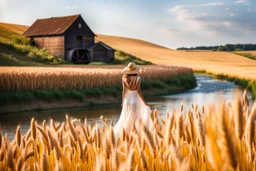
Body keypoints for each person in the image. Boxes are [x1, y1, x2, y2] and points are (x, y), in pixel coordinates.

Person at [114, 62, 152, 137]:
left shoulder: (124, 78)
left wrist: (122, 102)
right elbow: (138, 91)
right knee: (135, 119)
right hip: (135, 100)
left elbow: (124, 91)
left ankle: (124, 135)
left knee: (125, 119)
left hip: (127, 101)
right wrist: (144, 102)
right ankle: (135, 135)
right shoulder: (138, 78)